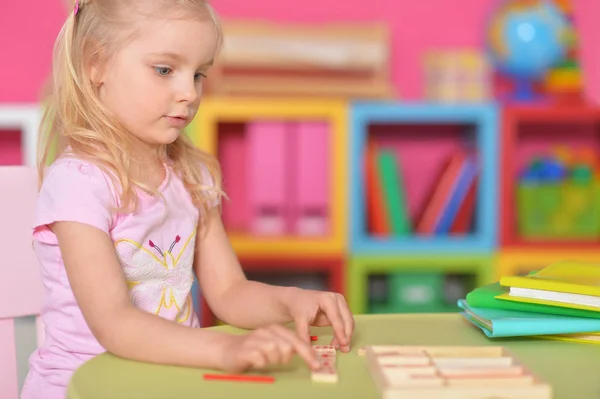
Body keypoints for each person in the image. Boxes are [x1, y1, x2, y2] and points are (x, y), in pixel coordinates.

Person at [21, 1, 355, 397]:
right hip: (83, 386)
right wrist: (224, 347)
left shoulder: (193, 176)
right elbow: (113, 322)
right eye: (164, 70)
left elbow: (230, 292)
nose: (188, 93)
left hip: (171, 380)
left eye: (198, 74)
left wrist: (292, 301)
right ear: (97, 65)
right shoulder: (79, 183)